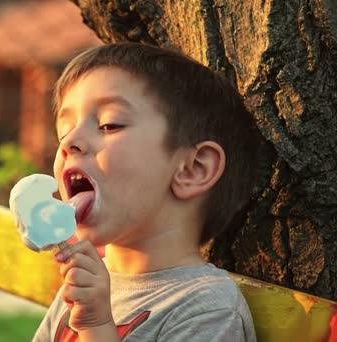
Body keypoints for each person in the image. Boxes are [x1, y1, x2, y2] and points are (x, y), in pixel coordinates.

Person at [34, 43, 260, 341]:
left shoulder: (207, 309)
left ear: (193, 169)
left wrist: (95, 326)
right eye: (64, 131)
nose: (69, 142)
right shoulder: (84, 285)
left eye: (108, 124)